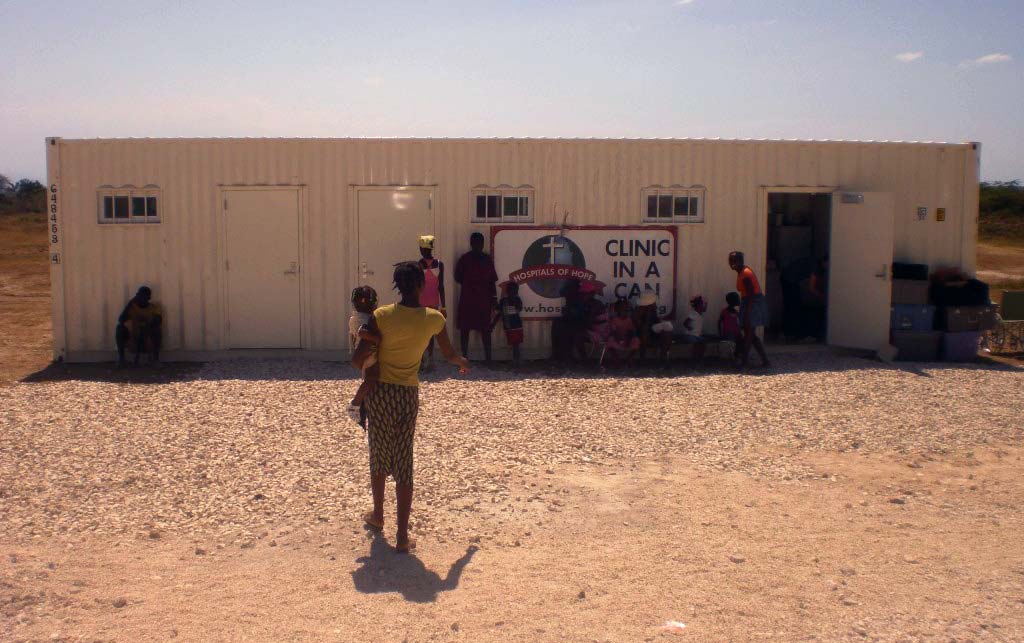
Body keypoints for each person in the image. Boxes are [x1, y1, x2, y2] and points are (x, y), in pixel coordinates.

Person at [352, 261, 470, 553]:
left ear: (396, 286)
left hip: (379, 393)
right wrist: (462, 364)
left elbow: (358, 359)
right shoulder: (434, 319)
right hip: (407, 394)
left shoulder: (381, 316)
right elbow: (449, 354)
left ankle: (378, 515)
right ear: (421, 286)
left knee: (378, 453)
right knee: (404, 460)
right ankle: (402, 536)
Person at [454, 232, 498, 362]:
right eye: (476, 243)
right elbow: (458, 277)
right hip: (468, 298)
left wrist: (494, 298)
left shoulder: (487, 259)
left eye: (480, 243)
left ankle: (488, 358)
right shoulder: (464, 259)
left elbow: (492, 280)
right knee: (465, 328)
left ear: (483, 244)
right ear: (471, 244)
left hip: (483, 299)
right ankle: (465, 356)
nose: (478, 246)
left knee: (485, 329)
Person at [728, 251, 771, 368]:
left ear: (741, 261)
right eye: (731, 260)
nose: (732, 263)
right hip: (748, 302)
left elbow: (752, 295)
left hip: (753, 303)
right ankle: (765, 360)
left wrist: (747, 313)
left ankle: (743, 361)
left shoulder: (746, 274)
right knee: (750, 334)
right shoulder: (740, 272)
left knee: (749, 334)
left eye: (735, 260)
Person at [347, 286, 380, 428]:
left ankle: (364, 403)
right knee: (370, 379)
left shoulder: (353, 318)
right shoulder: (367, 319)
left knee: (369, 379)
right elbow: (363, 334)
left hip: (364, 353)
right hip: (368, 353)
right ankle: (355, 404)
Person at [417, 235, 446, 370]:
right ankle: (429, 360)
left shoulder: (419, 264)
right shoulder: (439, 264)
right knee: (430, 333)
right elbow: (441, 286)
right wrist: (443, 306)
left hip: (422, 303)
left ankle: (424, 360)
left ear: (422, 248)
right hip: (432, 302)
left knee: (423, 333)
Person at [115, 286, 162, 367]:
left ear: (148, 298)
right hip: (133, 341)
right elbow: (121, 320)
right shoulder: (132, 307)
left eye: (144, 296)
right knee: (120, 328)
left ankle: (155, 359)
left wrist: (148, 326)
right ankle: (121, 359)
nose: (141, 298)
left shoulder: (153, 308)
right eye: (139, 296)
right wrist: (130, 303)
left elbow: (158, 320)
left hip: (148, 341)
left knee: (156, 330)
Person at [492, 281, 525, 367]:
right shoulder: (504, 300)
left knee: (515, 344)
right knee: (515, 344)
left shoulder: (514, 300)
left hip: (515, 326)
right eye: (511, 290)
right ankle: (516, 359)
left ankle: (516, 360)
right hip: (511, 326)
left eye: (514, 290)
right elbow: (499, 312)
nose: (513, 292)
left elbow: (519, 309)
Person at [633, 291, 673, 361]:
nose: (654, 303)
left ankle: (663, 354)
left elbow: (656, 322)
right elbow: (642, 328)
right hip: (641, 333)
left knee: (668, 328)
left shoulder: (653, 309)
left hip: (652, 332)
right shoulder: (638, 312)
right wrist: (648, 316)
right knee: (644, 334)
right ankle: (643, 357)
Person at [605, 298, 640, 367]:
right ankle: (616, 360)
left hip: (627, 338)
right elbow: (613, 332)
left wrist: (628, 339)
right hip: (616, 338)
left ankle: (629, 359)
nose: (624, 311)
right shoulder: (614, 319)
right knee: (610, 341)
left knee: (636, 340)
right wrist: (619, 339)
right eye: (622, 309)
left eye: (626, 309)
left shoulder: (629, 319)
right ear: (617, 310)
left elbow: (631, 331)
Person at [678, 295, 708, 360]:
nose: (702, 306)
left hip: (697, 335)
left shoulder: (700, 314)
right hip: (690, 335)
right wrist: (689, 327)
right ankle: (695, 358)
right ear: (698, 306)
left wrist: (706, 302)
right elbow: (685, 323)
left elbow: (705, 309)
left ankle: (700, 358)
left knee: (703, 343)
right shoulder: (693, 314)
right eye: (701, 304)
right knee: (697, 344)